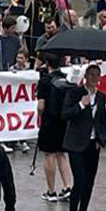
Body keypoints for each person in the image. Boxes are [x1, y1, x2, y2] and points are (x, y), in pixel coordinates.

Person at [62, 64, 106, 211]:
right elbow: (65, 114)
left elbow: (103, 121)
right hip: (76, 144)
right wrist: (81, 105)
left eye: (97, 75)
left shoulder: (101, 97)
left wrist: (100, 139)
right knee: (79, 181)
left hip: (92, 145)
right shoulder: (75, 93)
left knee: (89, 182)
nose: (94, 78)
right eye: (91, 75)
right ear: (86, 77)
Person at [37, 54, 72, 202]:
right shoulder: (65, 79)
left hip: (49, 121)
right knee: (61, 154)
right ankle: (68, 187)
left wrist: (40, 114)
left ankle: (51, 191)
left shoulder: (44, 81)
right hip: (63, 121)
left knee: (49, 155)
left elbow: (41, 106)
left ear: (47, 64)